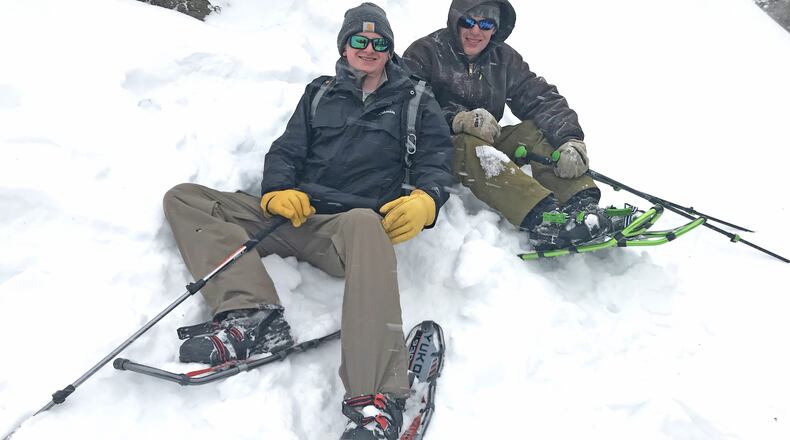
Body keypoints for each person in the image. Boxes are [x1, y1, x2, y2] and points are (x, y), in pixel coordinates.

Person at [161, 3, 454, 439]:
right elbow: (286, 151)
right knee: (186, 199)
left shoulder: (416, 101)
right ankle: (251, 315)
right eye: (360, 40)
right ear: (344, 45)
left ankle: (375, 400)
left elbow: (437, 163)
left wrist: (427, 202)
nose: (369, 49)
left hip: (350, 234)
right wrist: (278, 189)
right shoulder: (319, 93)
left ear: (390, 50)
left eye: (379, 43)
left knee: (360, 221)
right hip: (296, 218)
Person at [404, 0, 637, 251]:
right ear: (455, 20)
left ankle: (581, 203)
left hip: (487, 139)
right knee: (466, 144)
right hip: (438, 152)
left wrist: (570, 139)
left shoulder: (503, 58)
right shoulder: (425, 52)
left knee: (531, 132)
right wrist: (457, 120)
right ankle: (541, 217)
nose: (475, 31)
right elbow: (409, 103)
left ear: (495, 29)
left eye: (486, 24)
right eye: (468, 22)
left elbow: (540, 97)